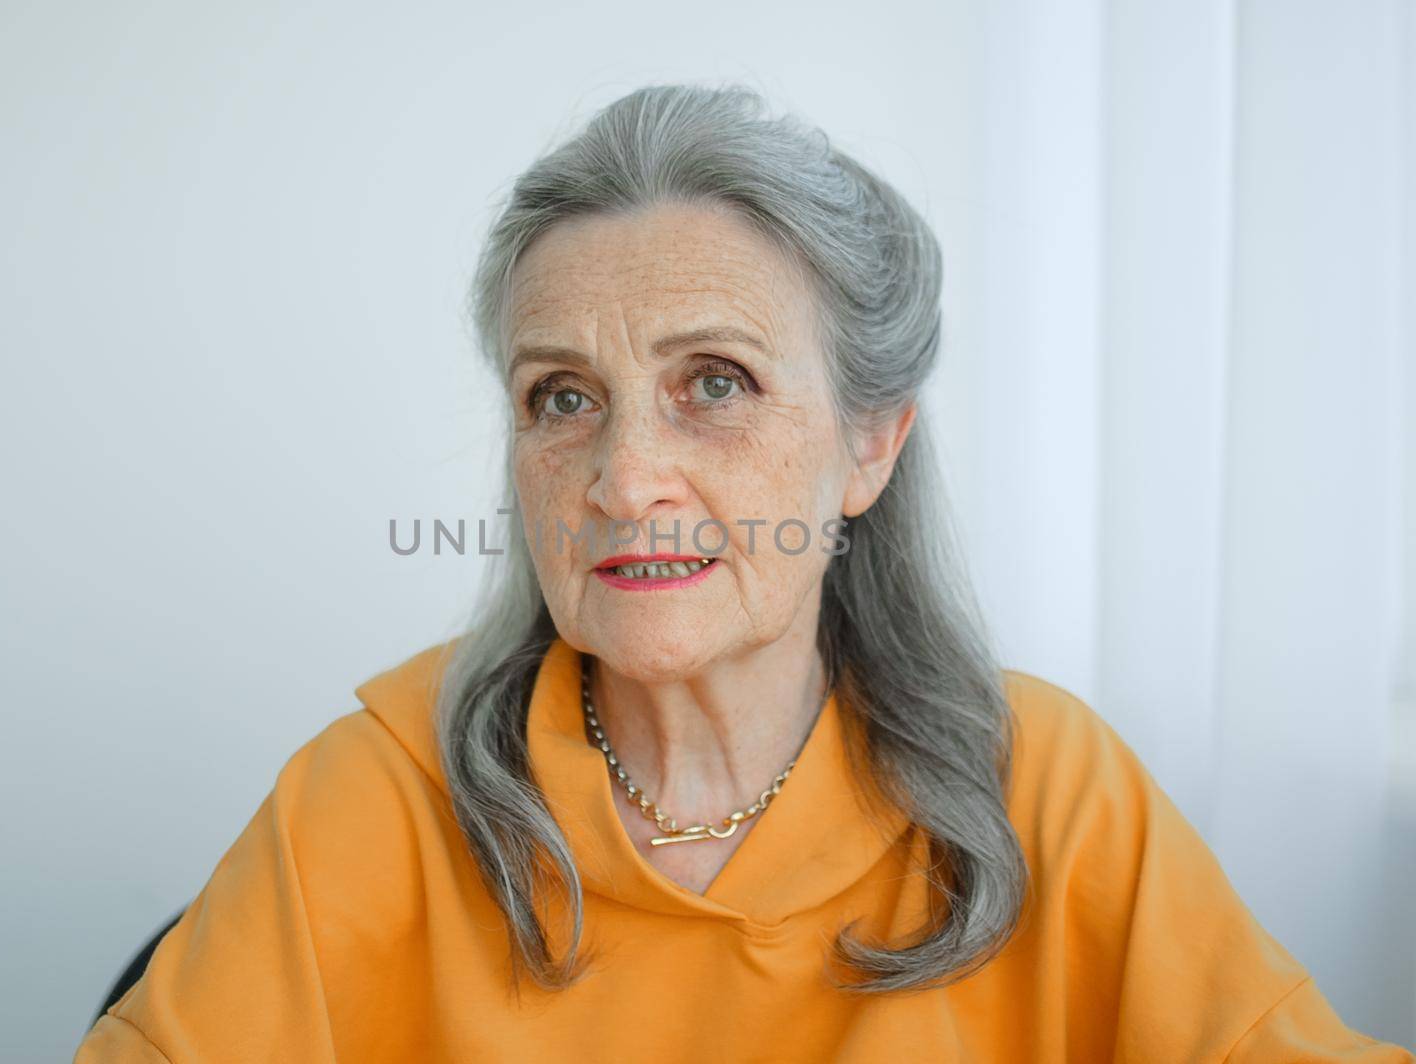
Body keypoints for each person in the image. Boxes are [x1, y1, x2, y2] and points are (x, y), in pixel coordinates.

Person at [74, 83, 1413, 1062]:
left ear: (870, 444)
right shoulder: (374, 796)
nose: (621, 478)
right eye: (561, 398)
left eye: (714, 382)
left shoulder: (1046, 792)